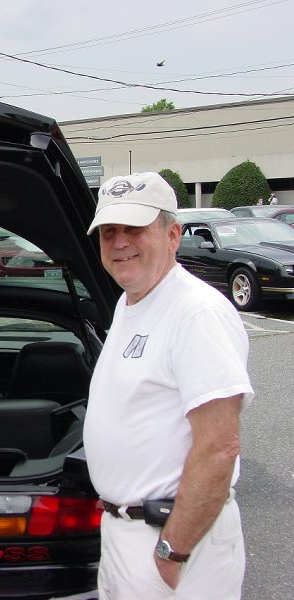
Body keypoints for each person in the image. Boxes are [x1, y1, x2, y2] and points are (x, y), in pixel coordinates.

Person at [83, 172, 254, 599]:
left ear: (173, 234)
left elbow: (219, 446)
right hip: (127, 536)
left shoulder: (196, 313)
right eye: (109, 231)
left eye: (134, 228)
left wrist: (172, 551)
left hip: (173, 543)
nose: (119, 242)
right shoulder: (131, 302)